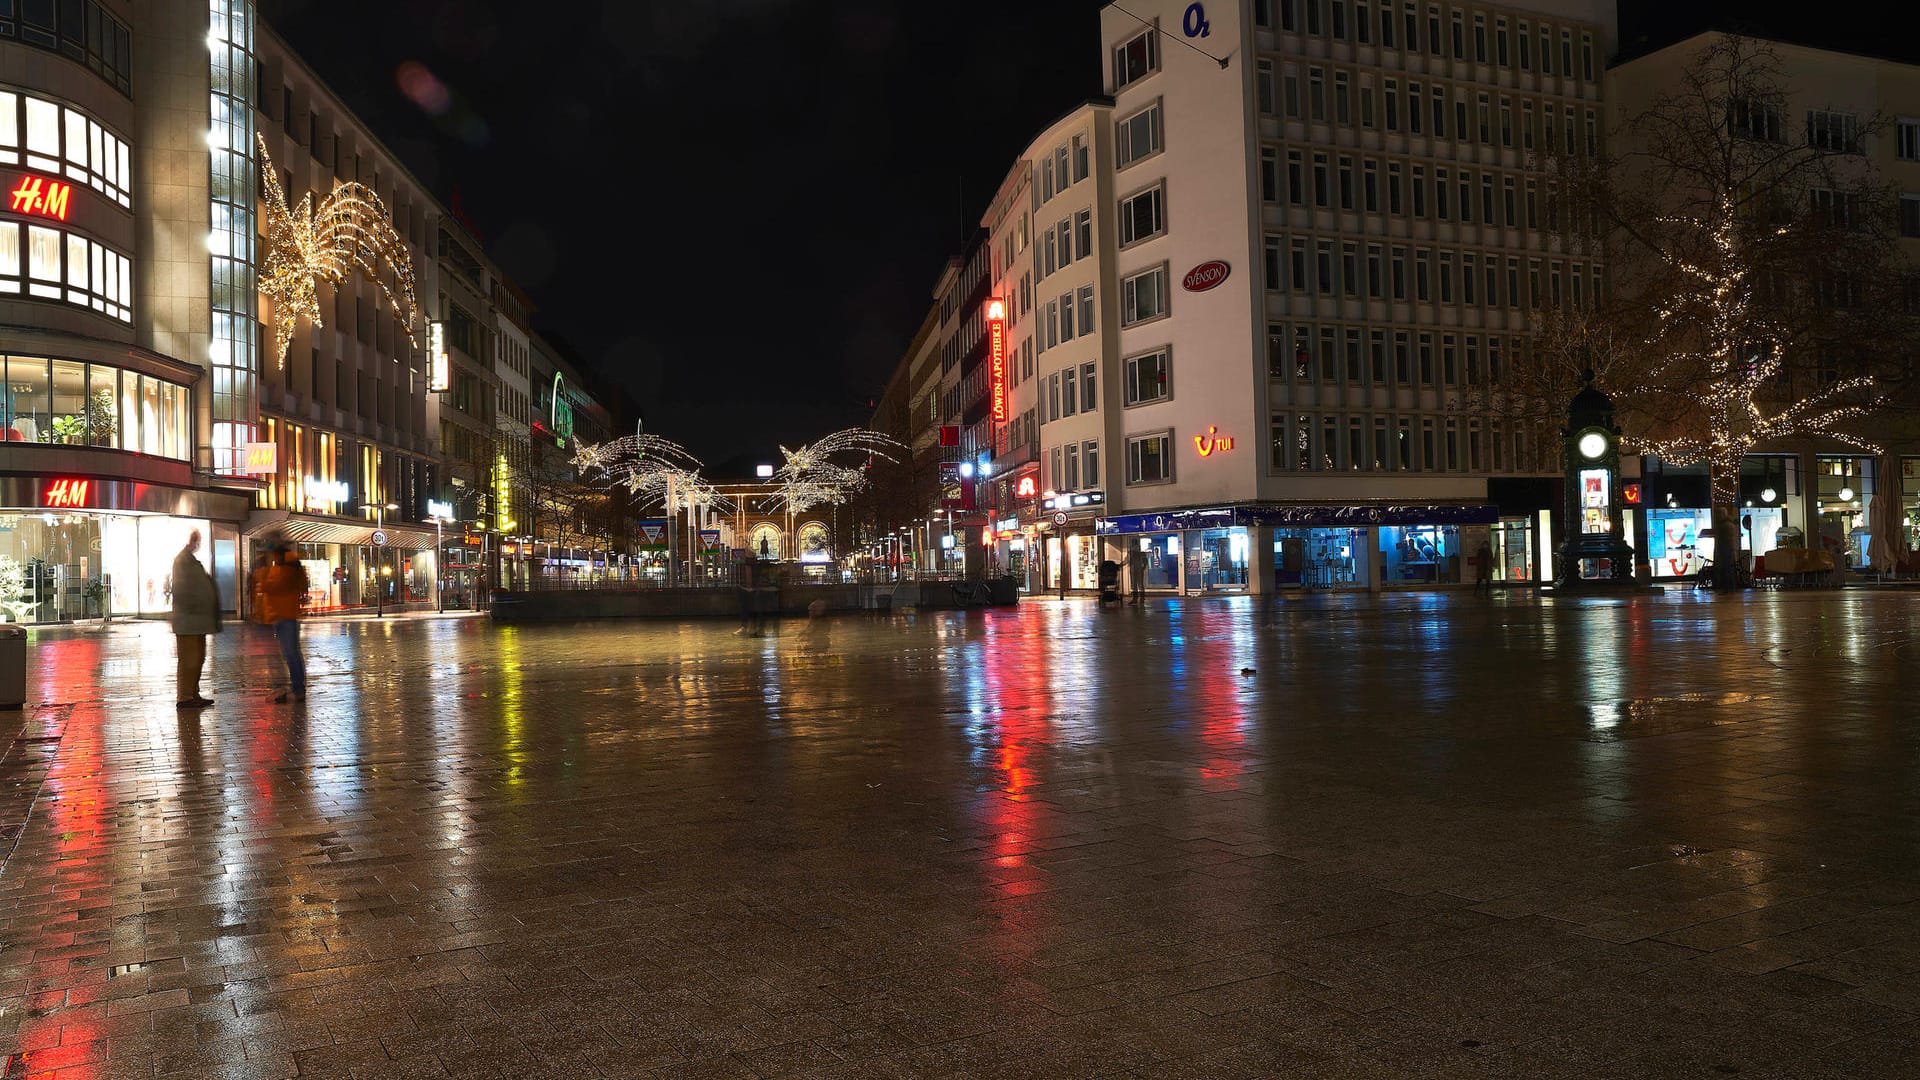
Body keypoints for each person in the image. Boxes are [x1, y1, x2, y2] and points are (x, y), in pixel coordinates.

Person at [250, 535, 310, 703]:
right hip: (277, 614)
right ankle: (290, 688)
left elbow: (274, 584)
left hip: (284, 615)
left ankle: (297, 688)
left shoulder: (286, 564)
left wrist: (262, 575)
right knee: (286, 653)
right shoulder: (284, 563)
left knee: (290, 653)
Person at [169, 530, 221, 708]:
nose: (197, 543)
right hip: (188, 621)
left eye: (197, 540)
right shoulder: (183, 561)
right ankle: (185, 696)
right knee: (189, 660)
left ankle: (193, 693)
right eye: (195, 540)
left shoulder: (190, 560)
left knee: (198, 658)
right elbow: (184, 590)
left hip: (197, 621)